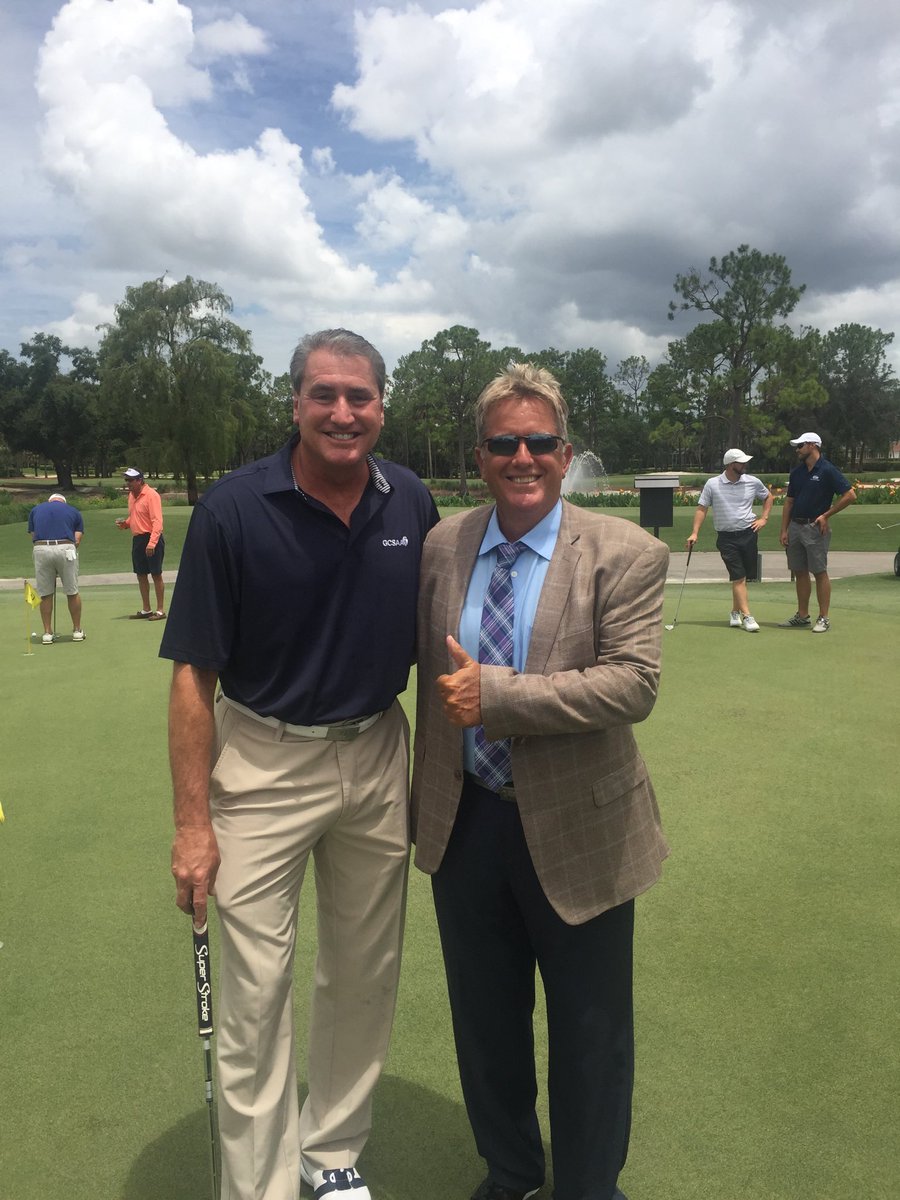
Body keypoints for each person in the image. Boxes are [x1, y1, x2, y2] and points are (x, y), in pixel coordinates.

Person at [160, 329, 439, 1200]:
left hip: (377, 749)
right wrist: (192, 825)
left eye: (359, 396)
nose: (342, 412)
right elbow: (193, 676)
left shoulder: (411, 501)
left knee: (364, 971)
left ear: (381, 407)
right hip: (264, 761)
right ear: (295, 403)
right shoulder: (234, 509)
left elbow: (440, 646)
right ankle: (260, 1185)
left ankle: (331, 1153)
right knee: (255, 991)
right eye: (324, 394)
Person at [411, 364, 669, 1200]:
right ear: (480, 457)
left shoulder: (625, 551)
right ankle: (512, 1170)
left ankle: (589, 1186)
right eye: (503, 443)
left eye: (539, 442)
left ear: (564, 452)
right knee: (486, 1021)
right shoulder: (443, 546)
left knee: (591, 1028)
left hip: (583, 825)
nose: (521, 457)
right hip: (465, 821)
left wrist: (499, 697)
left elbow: (633, 684)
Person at [686, 448, 773, 632]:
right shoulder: (713, 484)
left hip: (749, 533)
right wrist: (695, 533)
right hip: (726, 538)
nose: (745, 464)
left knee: (741, 577)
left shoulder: (752, 481)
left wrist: (764, 519)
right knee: (739, 576)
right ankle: (747, 616)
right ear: (731, 464)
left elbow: (768, 497)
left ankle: (735, 612)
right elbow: (702, 508)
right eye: (741, 462)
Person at [778, 432, 856, 633]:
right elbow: (789, 502)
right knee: (799, 571)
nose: (797, 450)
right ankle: (802, 615)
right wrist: (784, 529)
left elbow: (850, 495)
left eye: (800, 446)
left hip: (815, 527)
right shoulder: (797, 472)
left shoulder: (827, 469)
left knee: (819, 572)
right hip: (795, 526)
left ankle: (823, 617)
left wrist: (826, 515)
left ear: (812, 445)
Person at [27, 492, 85, 643]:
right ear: (63, 502)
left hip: (41, 548)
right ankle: (77, 630)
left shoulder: (36, 510)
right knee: (72, 591)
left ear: (50, 501)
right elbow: (77, 539)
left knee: (45, 593)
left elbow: (33, 535)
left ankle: (47, 633)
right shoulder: (73, 511)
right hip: (66, 548)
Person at [116, 467, 166, 620]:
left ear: (139, 480)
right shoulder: (131, 496)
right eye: (126, 480)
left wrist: (152, 543)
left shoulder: (151, 495)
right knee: (141, 574)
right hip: (138, 539)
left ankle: (160, 610)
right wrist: (125, 524)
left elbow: (157, 521)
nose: (128, 483)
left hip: (152, 538)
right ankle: (146, 609)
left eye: (130, 480)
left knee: (156, 574)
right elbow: (134, 517)